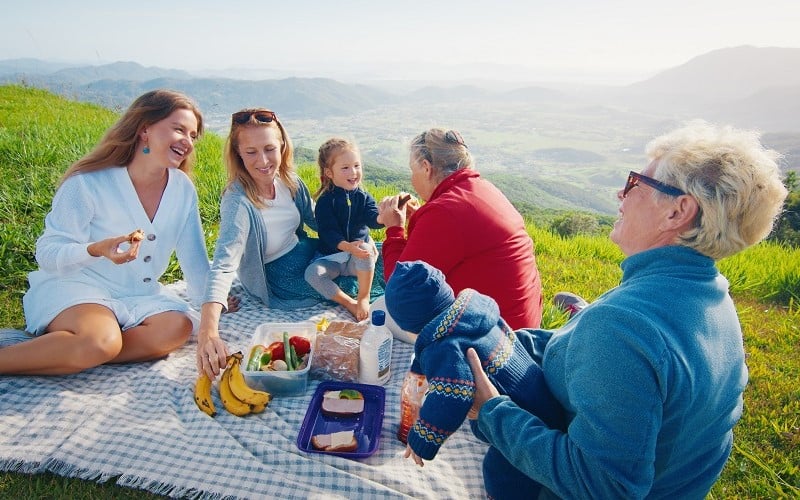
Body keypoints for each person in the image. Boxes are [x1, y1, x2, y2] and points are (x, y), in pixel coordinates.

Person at [464, 121, 789, 499]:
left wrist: (491, 413)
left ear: (678, 211)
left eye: (636, 183)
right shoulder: (710, 296)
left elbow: (606, 485)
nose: (622, 193)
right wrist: (518, 339)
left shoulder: (622, 326)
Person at [0, 89, 210, 375]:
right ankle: (84, 345)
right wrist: (94, 249)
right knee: (101, 339)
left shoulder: (182, 188)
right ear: (144, 129)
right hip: (78, 287)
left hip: (138, 296)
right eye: (179, 129)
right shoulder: (87, 183)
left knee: (177, 327)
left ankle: (76, 351)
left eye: (193, 135)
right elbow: (47, 254)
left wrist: (208, 305)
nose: (188, 141)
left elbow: (194, 257)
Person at [385, 261, 563, 483]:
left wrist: (422, 437)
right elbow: (427, 348)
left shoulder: (445, 347)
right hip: (542, 394)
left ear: (407, 325)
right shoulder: (471, 316)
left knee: (499, 473)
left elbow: (453, 396)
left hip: (526, 424)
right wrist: (419, 367)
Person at [375, 128, 543, 333]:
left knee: (379, 312)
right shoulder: (482, 189)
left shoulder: (444, 212)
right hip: (523, 328)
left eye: (413, 170)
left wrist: (394, 230)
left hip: (491, 341)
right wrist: (421, 220)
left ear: (426, 168)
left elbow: (400, 294)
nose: (412, 178)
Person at [197, 108, 323, 378]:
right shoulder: (238, 200)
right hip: (276, 276)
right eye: (251, 152)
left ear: (283, 147)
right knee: (347, 283)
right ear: (238, 154)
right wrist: (207, 331)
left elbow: (320, 224)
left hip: (302, 251)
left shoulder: (290, 182)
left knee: (372, 258)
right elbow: (223, 263)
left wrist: (359, 231)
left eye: (269, 149)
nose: (263, 161)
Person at [304, 138, 383, 321]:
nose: (353, 172)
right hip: (333, 259)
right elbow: (328, 232)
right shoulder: (326, 201)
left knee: (365, 249)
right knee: (312, 274)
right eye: (345, 167)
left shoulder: (363, 197)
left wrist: (385, 216)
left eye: (356, 165)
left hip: (359, 260)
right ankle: (349, 303)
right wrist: (348, 247)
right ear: (329, 173)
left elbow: (373, 218)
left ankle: (363, 297)